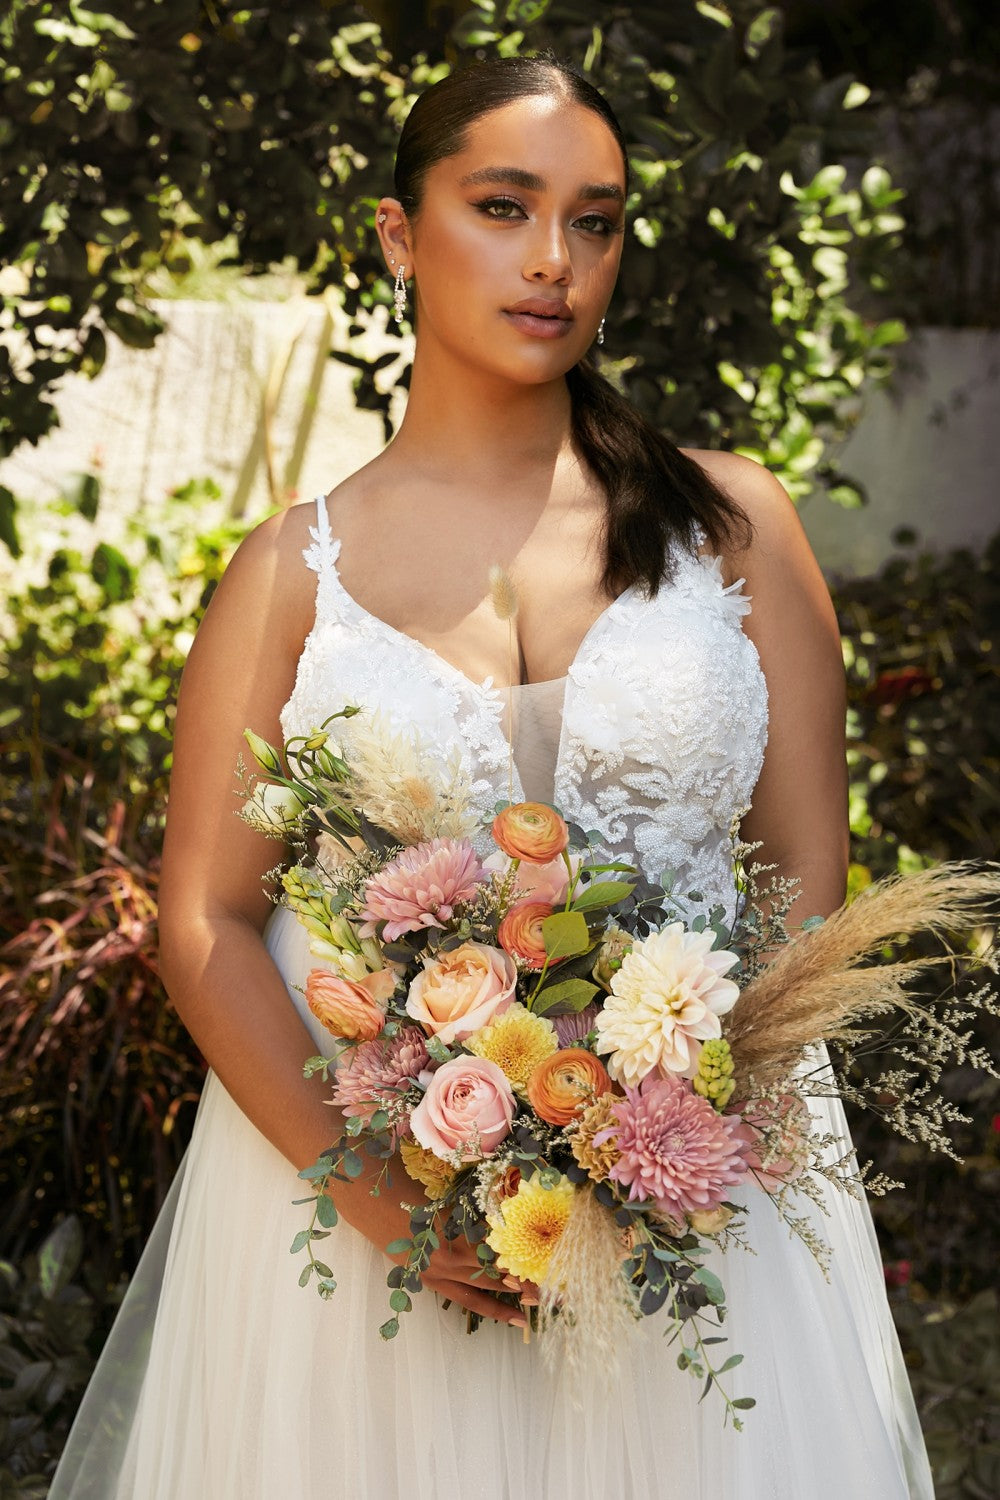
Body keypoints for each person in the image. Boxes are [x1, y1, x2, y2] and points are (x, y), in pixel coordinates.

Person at [50, 55, 933, 1500]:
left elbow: (806, 888)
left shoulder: (738, 526)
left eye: (595, 222)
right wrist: (399, 1205)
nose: (551, 260)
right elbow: (204, 921)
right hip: (356, 1221)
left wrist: (665, 1123)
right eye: (503, 206)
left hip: (698, 1195)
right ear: (399, 234)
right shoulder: (288, 577)